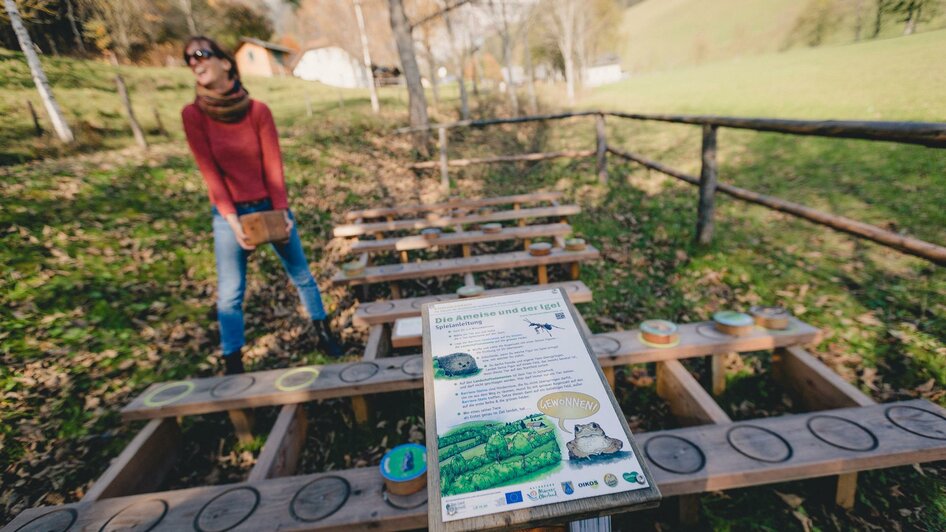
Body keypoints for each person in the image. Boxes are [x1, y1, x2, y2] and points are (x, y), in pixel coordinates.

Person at [180, 36, 342, 374]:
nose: (194, 62)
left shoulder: (258, 112)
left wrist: (282, 211)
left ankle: (324, 334)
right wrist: (232, 219)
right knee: (230, 294)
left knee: (302, 276)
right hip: (228, 215)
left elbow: (273, 166)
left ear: (225, 62)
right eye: (188, 59)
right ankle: (233, 362)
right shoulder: (193, 116)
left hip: (270, 206)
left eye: (200, 54)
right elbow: (210, 173)